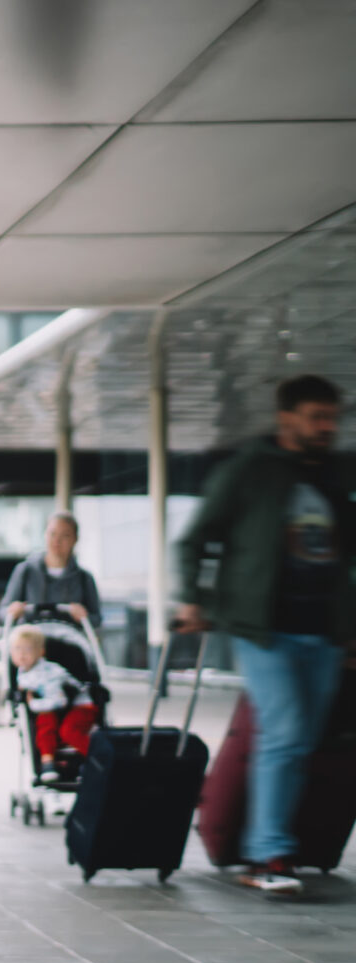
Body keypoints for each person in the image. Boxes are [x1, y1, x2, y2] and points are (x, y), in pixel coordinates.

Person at [176, 374, 356, 886]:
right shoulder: (250, 471)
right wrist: (192, 597)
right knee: (286, 732)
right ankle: (267, 854)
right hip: (263, 630)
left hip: (323, 632)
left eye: (332, 417)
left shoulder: (330, 475)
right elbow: (195, 539)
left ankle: (275, 842)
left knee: (301, 740)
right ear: (287, 419)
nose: (327, 427)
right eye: (316, 417)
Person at [8, 624, 96, 778]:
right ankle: (50, 761)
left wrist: (33, 704)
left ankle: (96, 758)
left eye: (28, 650)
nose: (22, 654)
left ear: (41, 652)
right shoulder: (23, 672)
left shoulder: (48, 673)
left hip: (81, 706)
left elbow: (58, 700)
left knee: (67, 731)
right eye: (17, 649)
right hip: (58, 709)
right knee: (45, 721)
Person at [2, 512, 101, 624]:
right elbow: (3, 612)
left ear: (75, 539)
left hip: (69, 637)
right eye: (52, 534)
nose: (57, 541)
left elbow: (96, 619)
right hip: (30, 636)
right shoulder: (25, 571)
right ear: (45, 535)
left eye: (65, 535)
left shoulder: (84, 578)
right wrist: (13, 611)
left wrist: (83, 615)